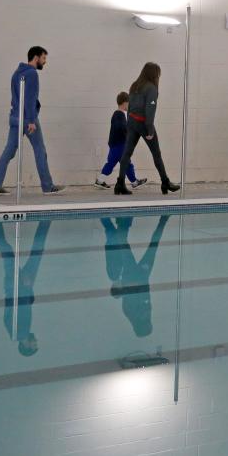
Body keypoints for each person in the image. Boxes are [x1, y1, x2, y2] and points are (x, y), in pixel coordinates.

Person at [0, 46, 64, 195]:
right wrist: (30, 120)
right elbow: (29, 99)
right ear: (36, 58)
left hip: (15, 118)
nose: (45, 62)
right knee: (40, 151)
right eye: (43, 58)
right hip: (28, 119)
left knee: (9, 151)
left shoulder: (16, 73)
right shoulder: (32, 74)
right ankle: (47, 186)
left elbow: (16, 98)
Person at [114, 62, 181, 195]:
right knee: (156, 154)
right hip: (143, 124)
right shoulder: (151, 88)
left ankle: (119, 184)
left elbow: (130, 106)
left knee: (127, 153)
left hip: (132, 122)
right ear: (154, 74)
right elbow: (150, 110)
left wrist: (129, 124)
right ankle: (165, 182)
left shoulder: (134, 85)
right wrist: (149, 130)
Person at [0, 220, 51, 357]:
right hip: (18, 288)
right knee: (12, 252)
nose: (36, 341)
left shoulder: (20, 332)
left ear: (26, 346)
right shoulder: (15, 332)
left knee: (14, 252)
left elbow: (17, 307)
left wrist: (24, 287)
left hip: (20, 287)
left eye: (34, 344)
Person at [103, 215, 170, 337]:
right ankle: (162, 219)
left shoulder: (132, 312)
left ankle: (162, 219)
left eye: (148, 325)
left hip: (137, 274)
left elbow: (132, 292)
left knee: (149, 244)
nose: (149, 323)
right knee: (150, 245)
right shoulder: (135, 313)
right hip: (139, 275)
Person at [95, 91, 147, 190]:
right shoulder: (119, 114)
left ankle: (100, 181)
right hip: (120, 145)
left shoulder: (119, 114)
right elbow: (121, 127)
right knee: (127, 163)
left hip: (115, 145)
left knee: (110, 163)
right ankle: (134, 182)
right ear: (124, 103)